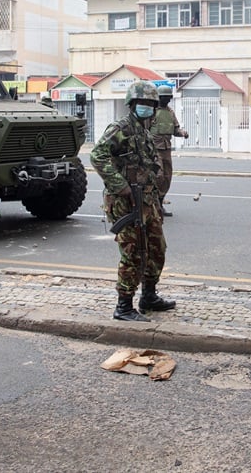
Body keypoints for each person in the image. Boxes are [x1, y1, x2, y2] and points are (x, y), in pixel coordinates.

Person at [90, 80, 176, 322]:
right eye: (142, 103)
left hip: (147, 200)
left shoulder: (145, 132)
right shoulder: (121, 128)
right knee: (133, 252)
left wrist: (156, 199)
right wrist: (121, 185)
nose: (147, 108)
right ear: (132, 104)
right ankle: (124, 306)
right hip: (126, 201)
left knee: (157, 249)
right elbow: (97, 156)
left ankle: (149, 296)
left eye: (150, 104)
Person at [151, 84, 189, 217]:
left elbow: (175, 130)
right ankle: (153, 205)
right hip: (154, 149)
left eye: (168, 98)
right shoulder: (152, 112)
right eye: (164, 98)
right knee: (158, 176)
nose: (166, 100)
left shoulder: (170, 112)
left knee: (167, 177)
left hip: (166, 149)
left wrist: (182, 133)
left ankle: (160, 204)